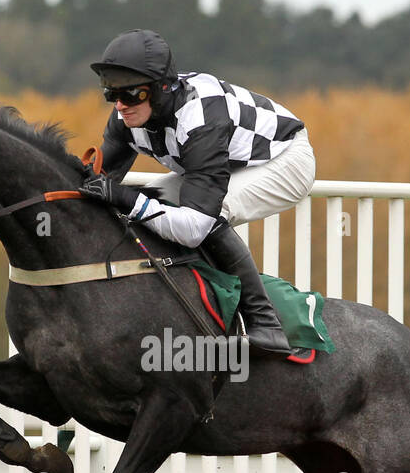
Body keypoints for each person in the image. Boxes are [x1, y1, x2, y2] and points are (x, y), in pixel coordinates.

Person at [79, 29, 316, 354]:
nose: (120, 105)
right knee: (150, 202)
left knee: (200, 215)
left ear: (161, 89)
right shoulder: (125, 117)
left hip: (286, 160)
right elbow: (95, 184)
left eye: (131, 94)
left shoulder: (200, 116)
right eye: (112, 94)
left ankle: (266, 325)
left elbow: (194, 227)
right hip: (226, 161)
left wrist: (125, 198)